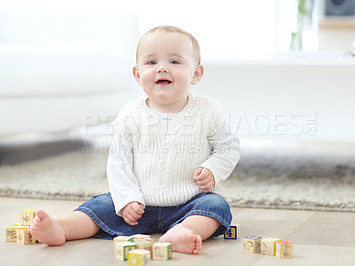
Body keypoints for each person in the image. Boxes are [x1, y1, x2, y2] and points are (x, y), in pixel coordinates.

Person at [31, 25, 240, 255]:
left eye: (175, 62)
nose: (162, 68)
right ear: (138, 75)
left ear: (196, 74)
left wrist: (212, 169)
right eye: (151, 63)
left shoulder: (207, 110)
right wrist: (127, 199)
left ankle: (181, 232)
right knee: (102, 204)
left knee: (215, 206)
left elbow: (228, 147)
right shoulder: (131, 114)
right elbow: (118, 162)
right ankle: (62, 227)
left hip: (188, 204)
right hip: (137, 206)